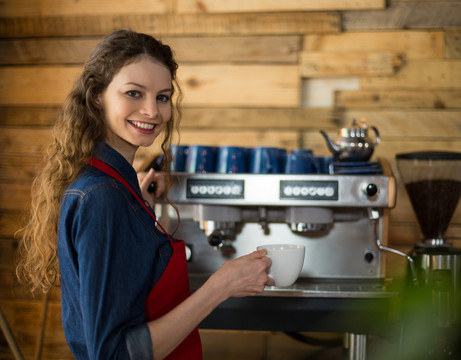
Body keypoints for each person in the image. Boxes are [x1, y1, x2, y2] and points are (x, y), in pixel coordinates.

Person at [16, 29, 273, 360]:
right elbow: (113, 354)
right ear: (97, 95)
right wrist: (220, 287)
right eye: (134, 93)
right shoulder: (102, 198)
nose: (152, 111)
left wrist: (137, 207)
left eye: (162, 97)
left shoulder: (111, 188)